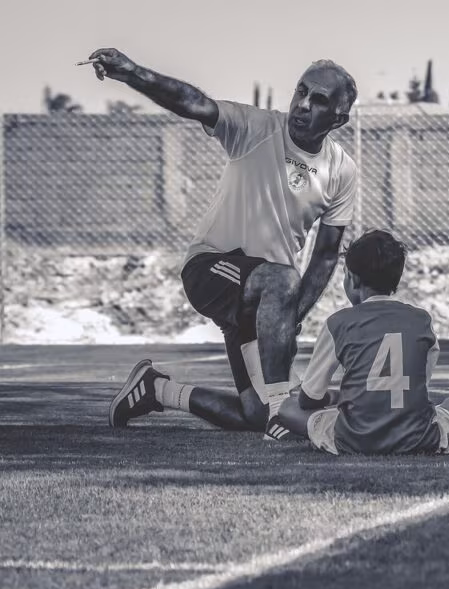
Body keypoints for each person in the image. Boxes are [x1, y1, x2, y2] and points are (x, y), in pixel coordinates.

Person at [95, 48, 359, 440]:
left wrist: (291, 315)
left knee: (251, 413)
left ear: (338, 118)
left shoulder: (342, 170)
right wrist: (132, 73)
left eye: (318, 99)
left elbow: (324, 256)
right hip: (211, 267)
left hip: (265, 299)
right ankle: (279, 412)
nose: (302, 104)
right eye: (301, 90)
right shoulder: (256, 128)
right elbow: (194, 103)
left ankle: (157, 389)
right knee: (283, 288)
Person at [277, 230, 449, 455]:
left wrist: (335, 397)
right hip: (418, 437)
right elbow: (417, 387)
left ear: (352, 279)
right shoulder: (422, 319)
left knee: (286, 408)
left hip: (355, 438)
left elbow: (308, 400)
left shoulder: (338, 323)